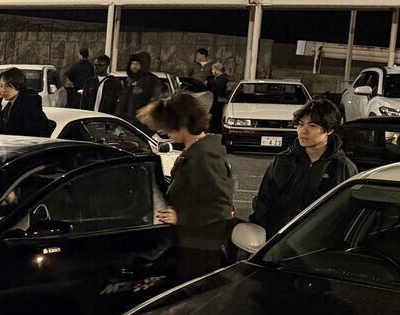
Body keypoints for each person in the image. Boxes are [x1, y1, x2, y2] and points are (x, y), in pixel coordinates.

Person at [139, 91, 235, 280]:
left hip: (200, 249)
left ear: (181, 124)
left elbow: (221, 208)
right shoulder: (198, 151)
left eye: (167, 126)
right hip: (192, 244)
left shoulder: (204, 156)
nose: (164, 132)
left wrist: (181, 216)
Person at [250, 99, 358, 236]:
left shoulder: (343, 167)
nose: (303, 131)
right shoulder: (283, 161)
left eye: (312, 126)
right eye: (300, 124)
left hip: (316, 247)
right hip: (277, 243)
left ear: (329, 130)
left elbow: (346, 216)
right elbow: (263, 204)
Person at [0, 67, 55, 137]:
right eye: (1, 86)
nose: (4, 90)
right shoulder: (9, 107)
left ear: (18, 85)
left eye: (8, 86)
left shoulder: (28, 105)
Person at [116, 51, 165, 121]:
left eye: (137, 64)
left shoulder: (152, 81)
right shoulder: (129, 80)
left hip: (141, 123)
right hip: (125, 123)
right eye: (132, 63)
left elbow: (154, 102)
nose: (134, 66)